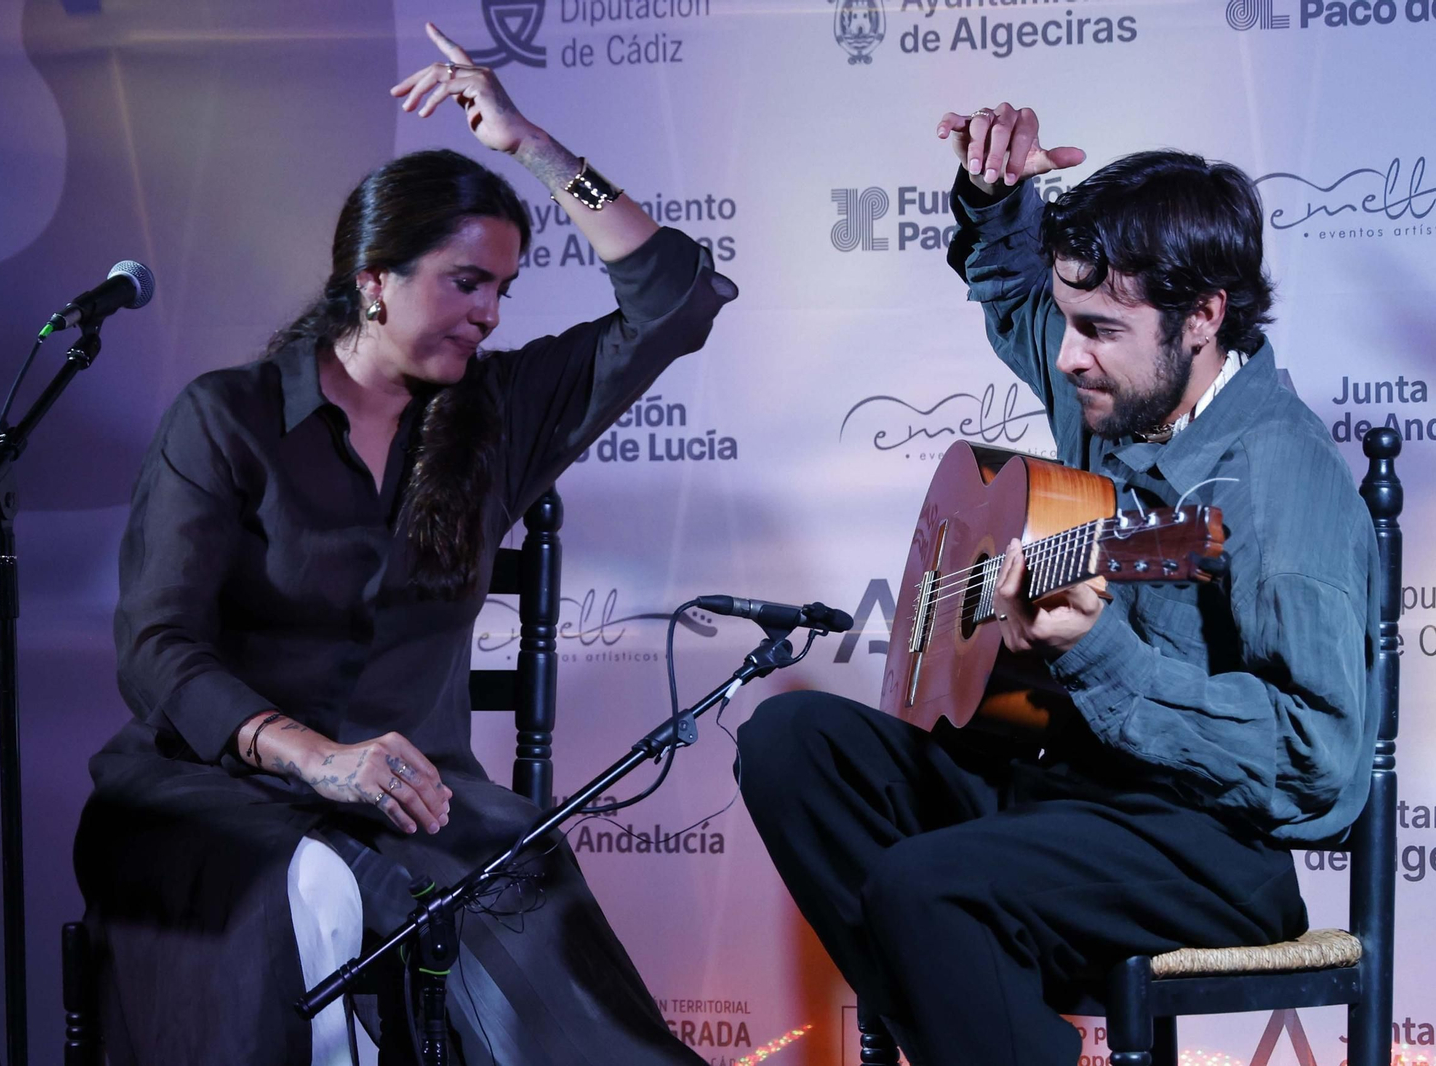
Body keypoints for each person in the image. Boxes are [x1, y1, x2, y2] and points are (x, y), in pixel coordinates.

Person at [74, 22, 735, 1066]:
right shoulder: (230, 419)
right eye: (465, 282)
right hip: (215, 793)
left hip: (418, 799)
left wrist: (532, 149)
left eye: (504, 290)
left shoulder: (498, 416)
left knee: (554, 966)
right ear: (374, 278)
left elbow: (676, 296)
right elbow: (157, 651)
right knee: (313, 895)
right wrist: (317, 759)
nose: (490, 314)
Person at [737, 103, 1378, 1066]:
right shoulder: (1122, 385)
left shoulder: (1281, 479)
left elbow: (1319, 766)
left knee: (927, 888)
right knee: (791, 743)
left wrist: (1105, 653)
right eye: (1070, 321)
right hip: (1061, 795)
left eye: (1098, 330)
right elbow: (1013, 292)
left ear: (1203, 315)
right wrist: (998, 200)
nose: (1067, 354)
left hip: (1205, 845)